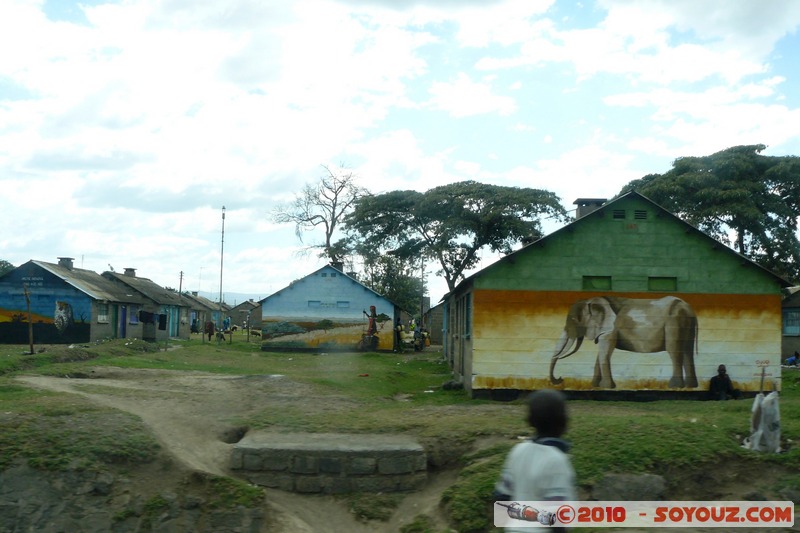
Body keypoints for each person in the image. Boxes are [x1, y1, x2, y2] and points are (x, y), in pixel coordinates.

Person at [494, 389, 576, 531]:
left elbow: (501, 496)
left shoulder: (518, 451)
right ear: (563, 422)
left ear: (530, 421)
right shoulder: (556, 460)